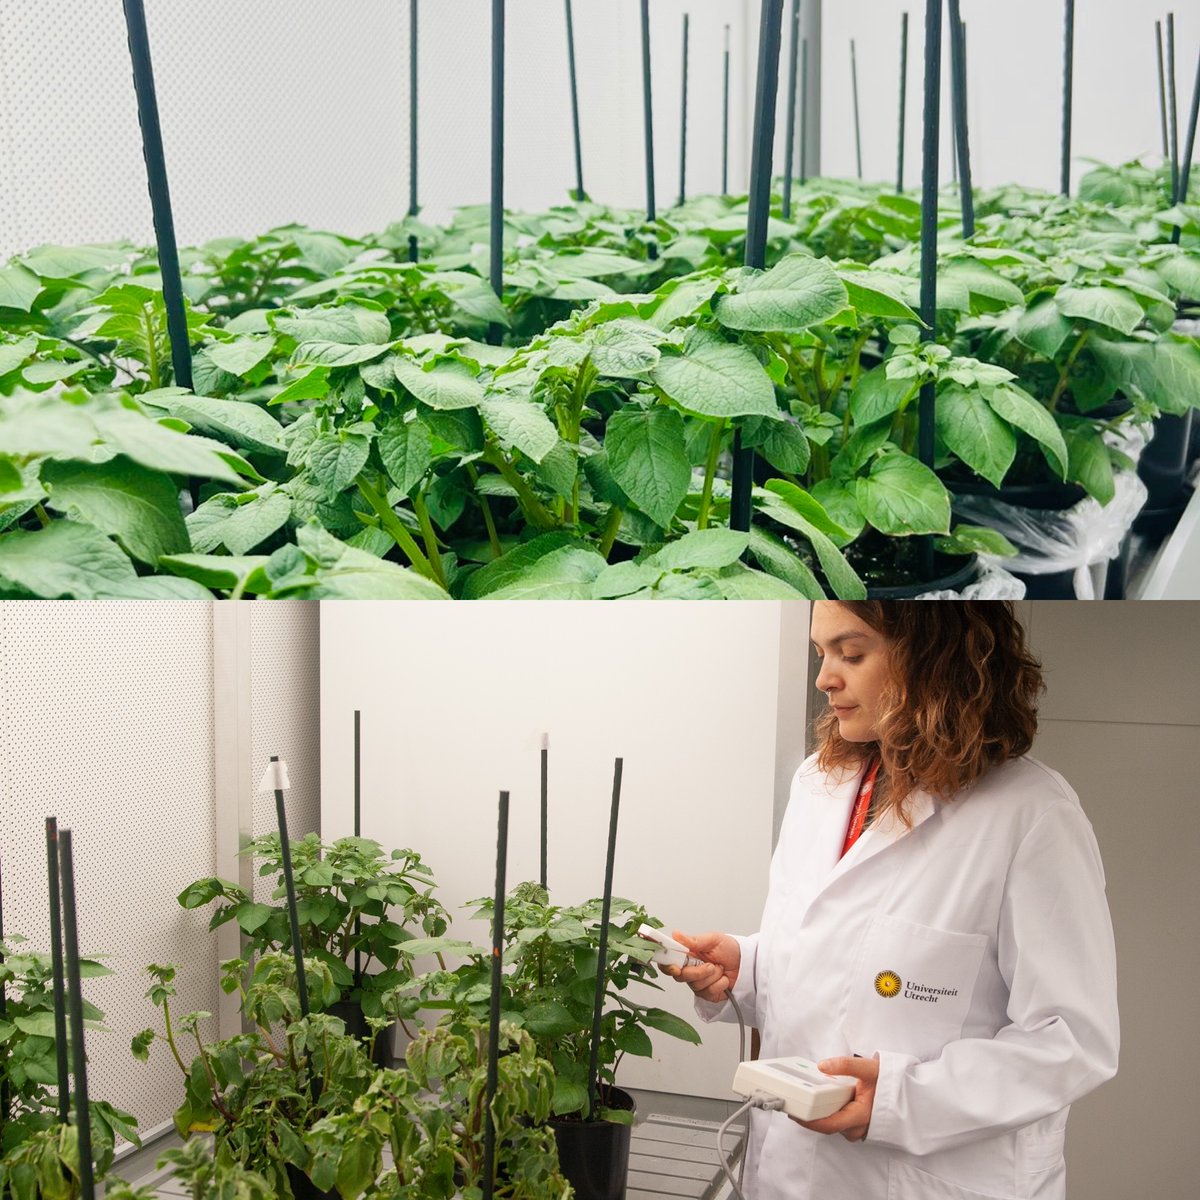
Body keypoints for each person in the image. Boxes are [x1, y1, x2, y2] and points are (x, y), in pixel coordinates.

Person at [666, 601, 1118, 1200]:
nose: (826, 677)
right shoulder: (819, 785)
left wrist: (905, 1098)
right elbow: (835, 956)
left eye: (851, 654)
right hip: (788, 1171)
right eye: (820, 653)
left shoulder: (1032, 815)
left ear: (933, 658)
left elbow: (1071, 1041)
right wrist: (746, 969)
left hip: (923, 1178)